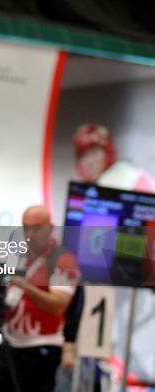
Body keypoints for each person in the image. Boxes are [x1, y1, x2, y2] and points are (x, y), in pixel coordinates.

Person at [73, 123, 155, 389]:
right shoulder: (97, 188)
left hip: (131, 283)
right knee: (102, 350)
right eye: (84, 154)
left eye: (95, 152)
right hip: (105, 281)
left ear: (107, 152)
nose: (90, 160)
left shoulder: (126, 181)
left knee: (123, 350)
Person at [0, 205, 80, 392]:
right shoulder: (18, 255)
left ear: (50, 227)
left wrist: (25, 286)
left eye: (36, 228)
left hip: (40, 347)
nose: (30, 233)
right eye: (26, 227)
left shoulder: (62, 259)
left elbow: (58, 305)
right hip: (9, 342)